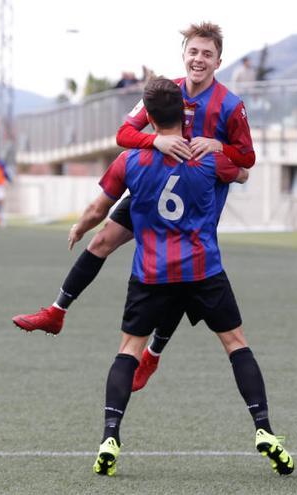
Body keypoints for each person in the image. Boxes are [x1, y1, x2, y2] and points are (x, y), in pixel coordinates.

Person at [13, 21, 255, 392]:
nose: (199, 59)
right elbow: (124, 134)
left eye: (207, 54)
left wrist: (219, 146)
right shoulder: (165, 93)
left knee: (177, 271)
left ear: (218, 61)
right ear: (184, 55)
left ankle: (153, 354)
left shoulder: (230, 106)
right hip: (153, 184)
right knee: (100, 242)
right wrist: (154, 143)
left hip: (194, 199)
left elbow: (247, 159)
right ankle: (56, 312)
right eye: (194, 52)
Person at [80, 77, 293, 477]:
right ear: (185, 113)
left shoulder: (129, 161)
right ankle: (264, 429)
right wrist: (218, 148)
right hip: (203, 269)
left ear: (148, 117)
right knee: (235, 344)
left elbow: (99, 211)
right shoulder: (209, 159)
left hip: (152, 273)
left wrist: (80, 227)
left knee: (129, 350)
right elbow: (244, 171)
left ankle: (110, 435)